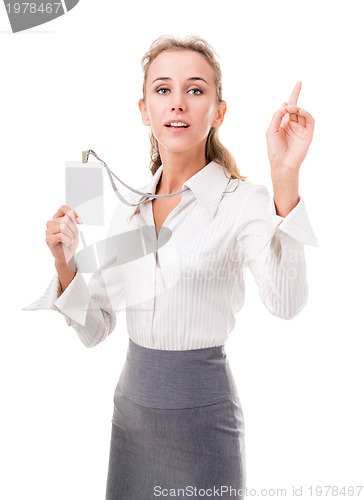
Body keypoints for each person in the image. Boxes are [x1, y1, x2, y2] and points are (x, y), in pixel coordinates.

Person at [22, 34, 318, 499]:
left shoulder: (243, 202)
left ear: (219, 113)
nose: (177, 103)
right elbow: (96, 327)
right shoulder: (133, 207)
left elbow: (286, 303)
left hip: (204, 429)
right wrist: (65, 264)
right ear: (144, 110)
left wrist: (285, 177)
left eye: (195, 90)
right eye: (163, 90)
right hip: (131, 426)